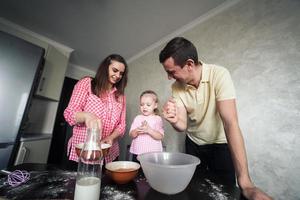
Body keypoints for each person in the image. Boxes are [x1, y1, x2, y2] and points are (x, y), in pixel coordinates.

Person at [159, 37, 272, 200]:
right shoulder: (176, 87)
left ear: (189, 64)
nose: (169, 77)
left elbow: (230, 123)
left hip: (220, 146)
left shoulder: (219, 74)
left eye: (171, 71)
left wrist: (246, 183)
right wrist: (174, 119)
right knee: (194, 192)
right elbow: (182, 125)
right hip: (193, 145)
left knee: (224, 193)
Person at [64, 54, 128, 170]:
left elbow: (122, 125)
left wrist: (112, 137)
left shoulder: (121, 96)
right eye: (115, 70)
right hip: (84, 152)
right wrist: (86, 116)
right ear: (105, 68)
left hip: (109, 153)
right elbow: (69, 113)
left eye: (121, 73)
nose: (118, 75)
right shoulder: (87, 83)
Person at [129, 90, 164, 163]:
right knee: (137, 171)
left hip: (153, 153)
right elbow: (131, 135)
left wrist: (149, 130)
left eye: (148, 105)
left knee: (150, 172)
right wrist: (137, 130)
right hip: (138, 152)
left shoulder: (157, 119)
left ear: (155, 105)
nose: (144, 107)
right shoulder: (138, 118)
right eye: (142, 104)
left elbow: (160, 136)